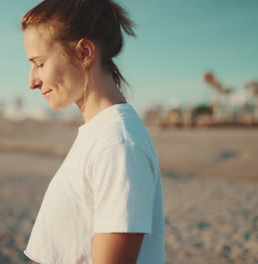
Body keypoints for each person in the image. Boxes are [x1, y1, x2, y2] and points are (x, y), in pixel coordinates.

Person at [21, 0, 165, 263]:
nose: (31, 81)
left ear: (85, 52)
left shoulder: (117, 145)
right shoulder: (102, 134)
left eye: (39, 63)